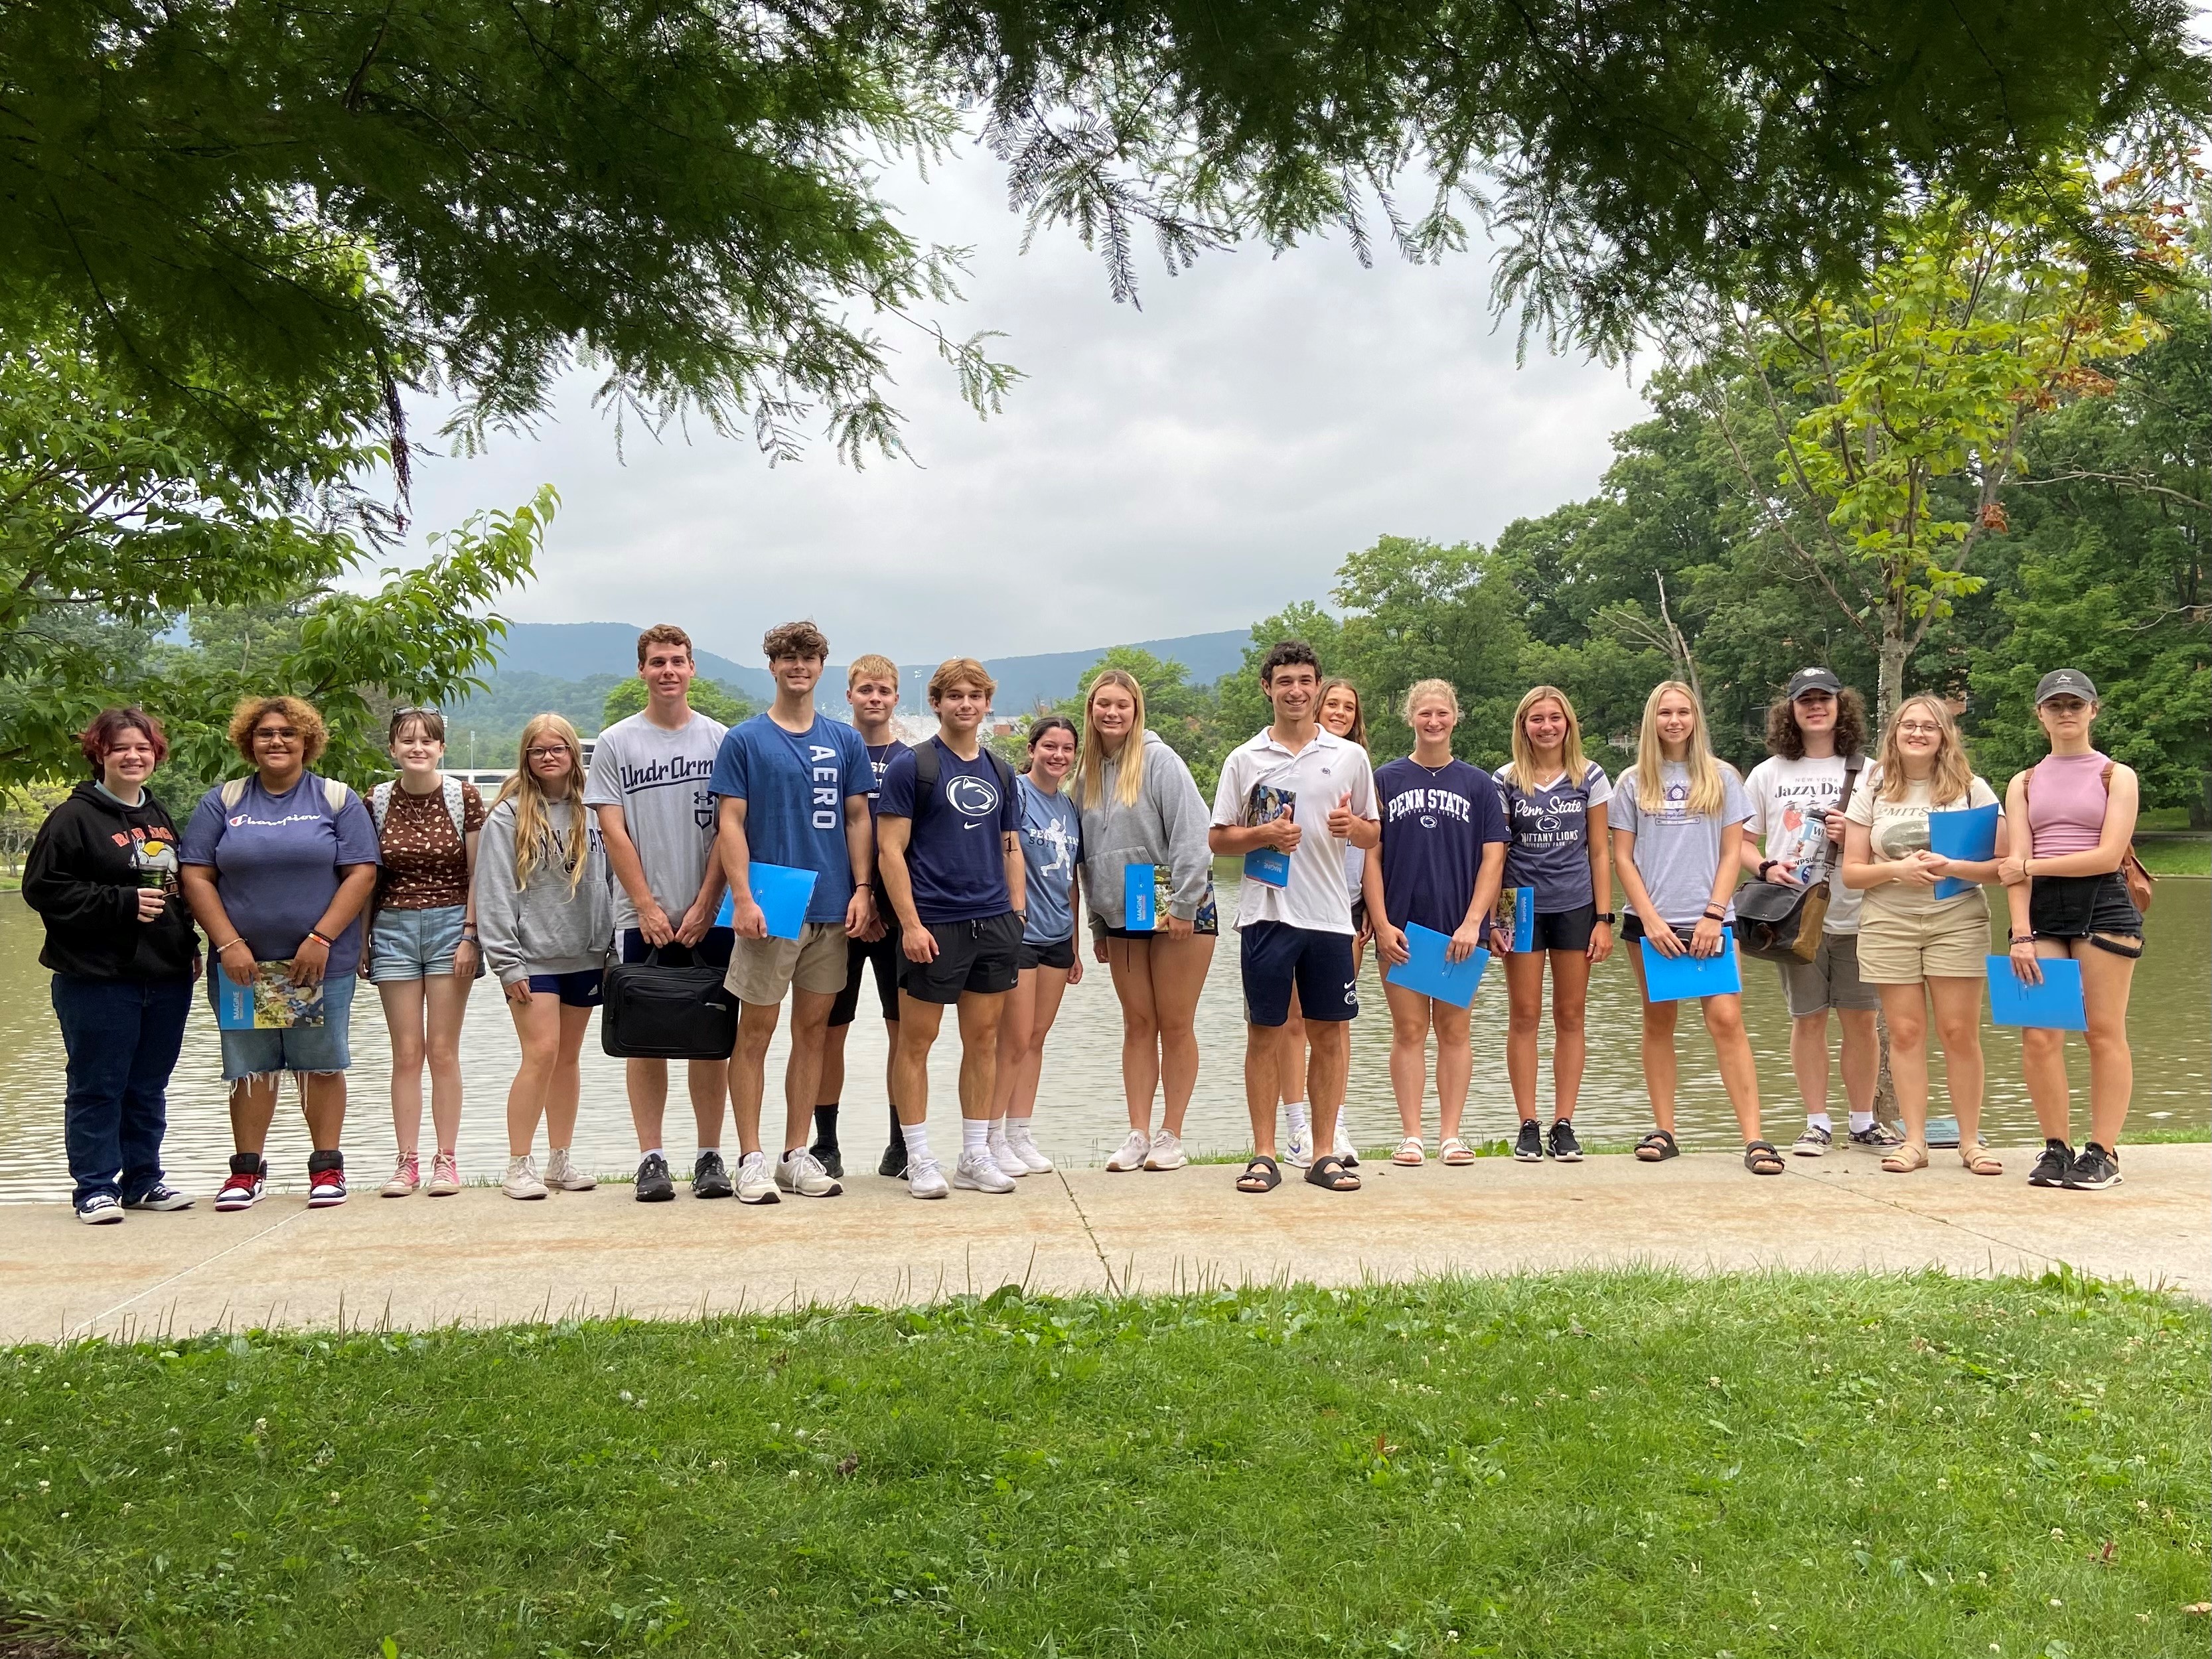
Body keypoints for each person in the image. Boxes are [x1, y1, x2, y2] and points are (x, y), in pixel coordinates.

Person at [179, 695, 380, 1210]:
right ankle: (246, 1173)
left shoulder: (335, 799)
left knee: (319, 1064)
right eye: (266, 733)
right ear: (249, 741)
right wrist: (228, 944)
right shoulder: (223, 801)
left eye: (288, 733)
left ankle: (327, 1169)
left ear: (307, 742)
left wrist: (320, 939)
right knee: (251, 1065)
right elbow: (196, 874)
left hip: (314, 964)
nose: (277, 741)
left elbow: (361, 872)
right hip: (243, 967)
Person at [711, 620, 875, 1203]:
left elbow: (858, 818)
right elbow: (730, 821)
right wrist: (744, 898)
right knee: (753, 1031)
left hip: (832, 904)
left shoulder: (844, 740)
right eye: (787, 657)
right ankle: (750, 1157)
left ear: (821, 666)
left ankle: (795, 1153)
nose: (798, 666)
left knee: (813, 1034)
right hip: (771, 901)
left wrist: (863, 888)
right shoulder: (745, 740)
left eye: (808, 657)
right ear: (772, 666)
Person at [1210, 640, 1378, 1195]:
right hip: (1265, 915)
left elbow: (1374, 833)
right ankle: (1263, 1154)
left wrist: (1350, 828)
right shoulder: (1245, 759)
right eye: (1285, 681)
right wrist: (1263, 835)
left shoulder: (1348, 756)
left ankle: (1323, 1152)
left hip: (1329, 916)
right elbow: (1218, 839)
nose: (1296, 691)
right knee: (1265, 1032)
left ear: (1317, 685)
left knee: (1329, 1034)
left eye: (1305, 680)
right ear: (1267, 688)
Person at [24, 708, 201, 1223]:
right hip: (97, 978)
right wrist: (120, 903)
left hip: (164, 975)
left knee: (148, 1085)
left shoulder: (158, 815)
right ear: (99, 753)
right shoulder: (72, 818)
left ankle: (143, 1179)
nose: (133, 756)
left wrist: (187, 943)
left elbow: (175, 890)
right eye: (121, 747)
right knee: (97, 1084)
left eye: (143, 748)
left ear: (156, 755)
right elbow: (44, 890)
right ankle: (95, 1188)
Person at [585, 624, 733, 1202]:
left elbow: (731, 827)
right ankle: (651, 1157)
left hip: (712, 915)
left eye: (677, 661)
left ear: (692, 668)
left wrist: (706, 903)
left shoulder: (722, 740)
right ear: (642, 671)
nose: (668, 670)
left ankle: (709, 1154)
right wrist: (645, 904)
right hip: (638, 915)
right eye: (656, 662)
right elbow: (612, 828)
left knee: (710, 1035)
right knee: (644, 1038)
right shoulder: (617, 742)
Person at [875, 658, 1027, 1198]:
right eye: (954, 696)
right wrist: (910, 924)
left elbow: (1010, 845)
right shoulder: (911, 767)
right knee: (917, 1041)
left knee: (982, 1040)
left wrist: (1016, 908)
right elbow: (889, 851)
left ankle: (975, 1154)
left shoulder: (1000, 771)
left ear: (987, 704)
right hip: (934, 923)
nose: (965, 704)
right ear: (936, 703)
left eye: (975, 696)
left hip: (993, 923)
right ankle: (918, 1157)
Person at [1610, 681, 1775, 1174]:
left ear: (1695, 719)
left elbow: (1732, 852)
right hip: (1651, 924)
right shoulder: (1631, 781)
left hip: (1711, 921)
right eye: (1665, 713)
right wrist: (1652, 921)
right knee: (1659, 1021)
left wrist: (1712, 913)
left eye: (1683, 712)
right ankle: (1665, 1130)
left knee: (1726, 1020)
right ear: (1651, 720)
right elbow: (1622, 857)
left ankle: (1754, 1137)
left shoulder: (1722, 777)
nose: (1674, 721)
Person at [1840, 695, 2004, 1177]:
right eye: (1907, 725)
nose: (1917, 733)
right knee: (1906, 1033)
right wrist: (1897, 869)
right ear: (1893, 734)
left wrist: (1951, 866)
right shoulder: (1873, 789)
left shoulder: (1970, 789)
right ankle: (1913, 1141)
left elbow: (2004, 865)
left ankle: (1969, 1140)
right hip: (1887, 921)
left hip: (1955, 918)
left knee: (1958, 1032)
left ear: (1943, 736)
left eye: (1928, 727)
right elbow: (1851, 872)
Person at [1740, 669, 1898, 1157]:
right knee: (1806, 1019)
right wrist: (1767, 866)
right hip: (1793, 915)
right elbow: (1741, 844)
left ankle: (1862, 1121)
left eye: (1823, 700)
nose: (1814, 707)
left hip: (1859, 912)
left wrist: (1849, 836)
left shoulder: (1870, 770)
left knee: (1860, 1019)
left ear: (1839, 706)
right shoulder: (1767, 773)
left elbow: (1887, 842)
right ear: (1789, 710)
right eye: (1804, 700)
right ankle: (1815, 1123)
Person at [1998, 668, 2143, 1192]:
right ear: (2039, 715)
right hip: (2041, 911)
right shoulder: (2024, 781)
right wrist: (2019, 931)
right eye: (2054, 705)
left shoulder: (2115, 776)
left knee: (2101, 1031)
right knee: (2038, 1036)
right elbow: (2013, 859)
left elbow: (2106, 855)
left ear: (2092, 711)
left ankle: (2102, 1151)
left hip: (2101, 902)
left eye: (2074, 704)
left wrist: (2030, 868)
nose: (2065, 713)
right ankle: (2055, 1148)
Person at [1072, 669, 1216, 1173]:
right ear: (1090, 711)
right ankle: (1137, 1132)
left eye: (1122, 705)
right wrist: (1095, 924)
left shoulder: (1159, 761)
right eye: (1102, 704)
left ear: (1136, 711)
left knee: (1175, 1024)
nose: (1111, 713)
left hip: (1175, 900)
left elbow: (1194, 838)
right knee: (1137, 1023)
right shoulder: (1084, 775)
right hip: (1126, 905)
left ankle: (1170, 1134)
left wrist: (1181, 906)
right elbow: (1086, 860)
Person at [1364, 680, 1507, 1167]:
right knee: (1407, 1031)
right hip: (1403, 927)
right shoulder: (1385, 779)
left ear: (1454, 718)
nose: (1433, 721)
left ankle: (1450, 1134)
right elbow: (1370, 854)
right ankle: (1411, 1135)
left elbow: (1493, 859)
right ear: (1411, 718)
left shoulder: (1478, 784)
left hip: (1457, 929)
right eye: (1424, 713)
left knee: (1454, 1031)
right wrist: (1380, 923)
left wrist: (1474, 923)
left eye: (1441, 713)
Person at [475, 716, 612, 1200]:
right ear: (526, 758)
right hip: (532, 957)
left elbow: (612, 880)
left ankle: (559, 1159)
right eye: (538, 750)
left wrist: (610, 945)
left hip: (586, 953)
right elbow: (492, 890)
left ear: (574, 754)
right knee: (540, 1053)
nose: (549, 757)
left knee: (568, 1058)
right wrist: (506, 961)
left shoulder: (596, 811)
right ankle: (519, 1163)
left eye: (558, 748)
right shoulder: (509, 816)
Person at [366, 708, 486, 1198]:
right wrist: (361, 940)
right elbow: (365, 878)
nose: (417, 749)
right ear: (392, 749)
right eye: (407, 741)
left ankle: (446, 1159)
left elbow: (479, 873)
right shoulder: (373, 801)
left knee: (442, 1050)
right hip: (392, 926)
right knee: (406, 1053)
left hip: (450, 924)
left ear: (441, 748)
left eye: (427, 741)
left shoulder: (463, 797)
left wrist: (471, 935)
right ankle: (406, 1161)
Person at [1493, 685, 1615, 1163]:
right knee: (1523, 1015)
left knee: (1570, 1015)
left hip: (1574, 905)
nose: (1546, 727)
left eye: (1554, 718)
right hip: (1518, 905)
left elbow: (1600, 850)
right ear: (1523, 725)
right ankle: (1527, 1122)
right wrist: (1493, 920)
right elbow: (1496, 854)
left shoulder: (1590, 776)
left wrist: (1603, 919)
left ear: (1568, 724)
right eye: (1536, 719)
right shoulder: (1503, 779)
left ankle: (1564, 1122)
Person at [814, 653, 905, 1181]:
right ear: (848, 695)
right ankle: (826, 1143)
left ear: (895, 698)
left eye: (884, 691)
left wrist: (883, 902)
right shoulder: (828, 753)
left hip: (896, 918)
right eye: (865, 690)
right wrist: (857, 894)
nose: (874, 699)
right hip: (837, 912)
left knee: (904, 1032)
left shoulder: (912, 760)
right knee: (829, 1031)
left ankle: (901, 1142)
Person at [1278, 675, 1372, 1169]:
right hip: (1287, 906)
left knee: (1334, 1025)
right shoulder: (1283, 758)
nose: (1338, 712)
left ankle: (1334, 1121)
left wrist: (1374, 913)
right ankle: (1296, 1124)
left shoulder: (1356, 767)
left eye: (1348, 707)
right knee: (1289, 1020)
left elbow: (1373, 851)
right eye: (1330, 703)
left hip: (1344, 910)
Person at [989, 717, 1084, 1175]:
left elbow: (1071, 880)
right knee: (1012, 1038)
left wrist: (1076, 941)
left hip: (1057, 936)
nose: (1058, 756)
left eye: (1067, 749)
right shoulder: (1016, 795)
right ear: (1031, 749)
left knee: (1036, 1037)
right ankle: (989, 1135)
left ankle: (1019, 1132)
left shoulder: (1068, 807)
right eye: (1050, 747)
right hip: (1020, 934)